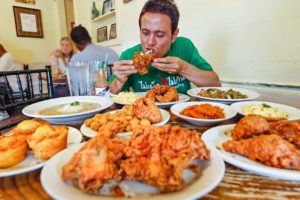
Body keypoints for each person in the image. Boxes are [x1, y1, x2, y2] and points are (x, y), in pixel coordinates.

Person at [109, 0, 220, 94]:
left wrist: (184, 68)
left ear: (173, 35)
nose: (150, 42)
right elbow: (111, 97)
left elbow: (215, 84)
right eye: (145, 33)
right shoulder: (128, 56)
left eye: (159, 35)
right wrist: (119, 81)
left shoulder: (185, 46)